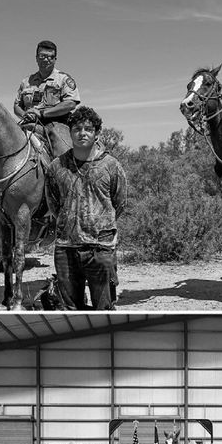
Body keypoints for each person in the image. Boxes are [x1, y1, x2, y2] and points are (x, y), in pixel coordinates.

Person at [44, 106, 127, 310]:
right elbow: (53, 203)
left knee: (104, 308)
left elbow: (120, 202)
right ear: (70, 132)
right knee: (69, 310)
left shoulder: (111, 165)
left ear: (97, 133)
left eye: (88, 129)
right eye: (77, 129)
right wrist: (69, 220)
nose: (82, 133)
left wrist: (99, 223)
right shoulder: (57, 166)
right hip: (66, 248)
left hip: (100, 247)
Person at [15, 39, 80, 159]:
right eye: (43, 56)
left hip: (56, 125)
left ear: (55, 59)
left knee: (64, 156)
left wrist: (42, 113)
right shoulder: (26, 81)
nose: (46, 59)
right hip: (28, 123)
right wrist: (25, 114)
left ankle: (66, 176)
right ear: (36, 58)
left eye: (51, 57)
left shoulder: (63, 79)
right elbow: (17, 106)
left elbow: (70, 104)